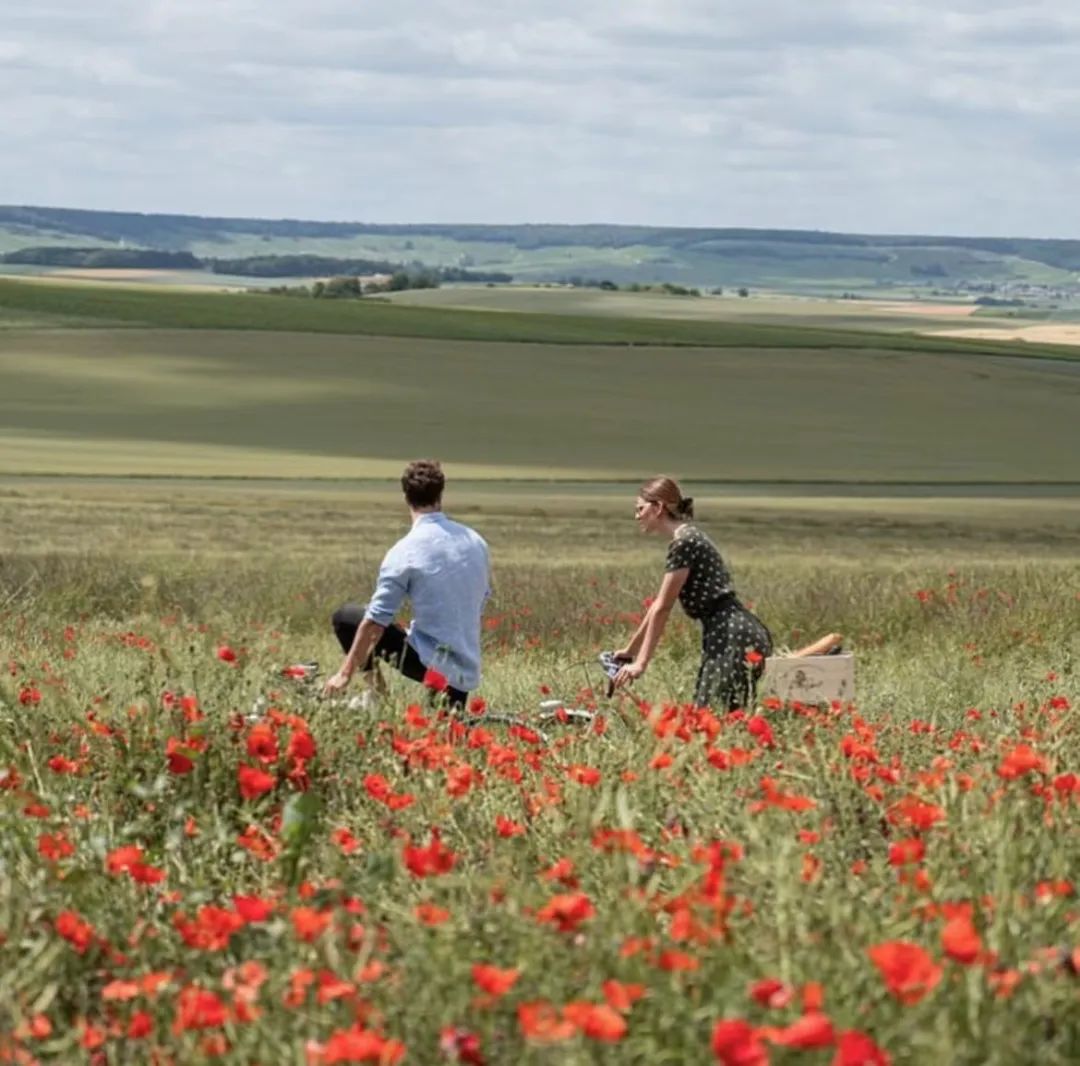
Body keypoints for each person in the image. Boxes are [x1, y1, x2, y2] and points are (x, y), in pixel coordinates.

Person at [322, 460, 490, 709]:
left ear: (406, 497)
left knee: (347, 617)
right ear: (440, 494)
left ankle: (375, 696)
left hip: (430, 663)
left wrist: (344, 674)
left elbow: (374, 623)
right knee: (448, 737)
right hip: (466, 668)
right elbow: (481, 599)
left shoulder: (405, 551)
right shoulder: (476, 541)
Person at [613, 476, 772, 710]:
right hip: (730, 631)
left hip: (731, 635)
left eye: (640, 509)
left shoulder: (684, 543)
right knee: (718, 713)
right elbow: (658, 604)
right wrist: (630, 652)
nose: (637, 516)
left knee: (714, 714)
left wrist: (641, 663)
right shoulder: (689, 536)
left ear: (658, 508)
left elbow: (663, 608)